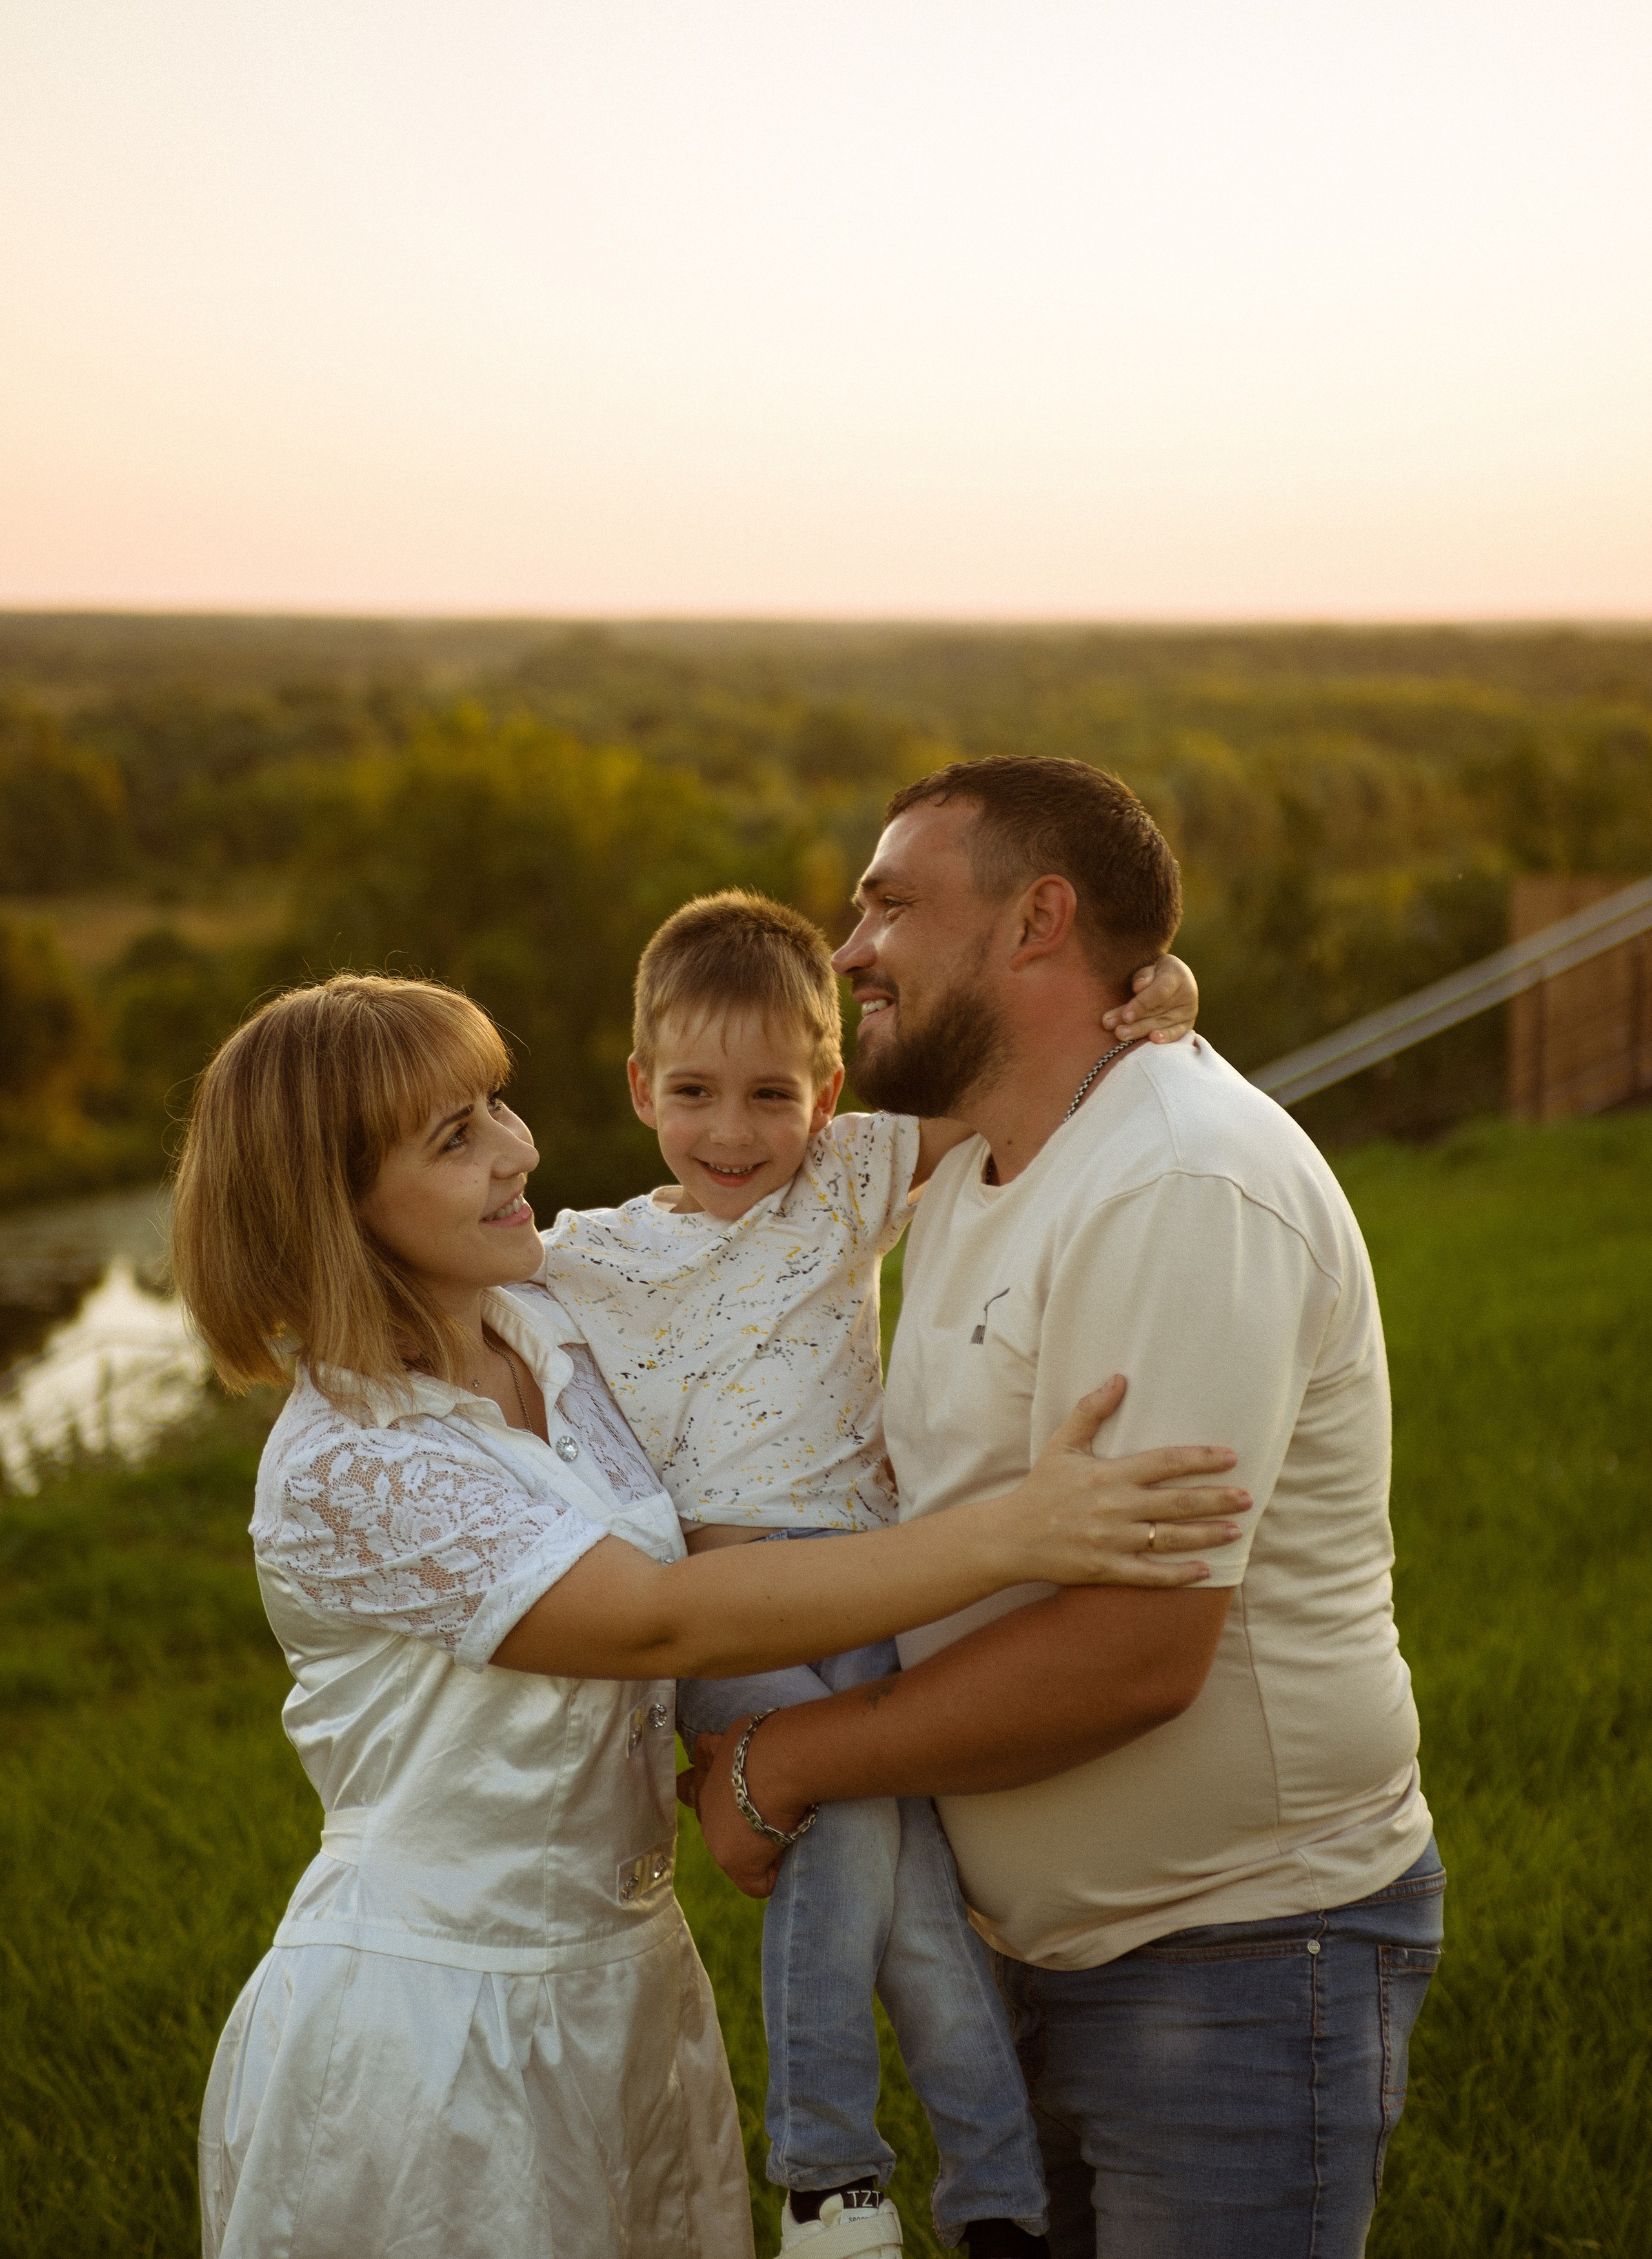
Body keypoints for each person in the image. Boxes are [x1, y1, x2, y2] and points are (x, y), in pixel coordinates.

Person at [171, 969, 1248, 2259]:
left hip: (626, 1978)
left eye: (496, 1104)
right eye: (452, 1138)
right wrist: (1008, 1535)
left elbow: (755, 1301)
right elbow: (657, 1623)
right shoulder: (351, 1461)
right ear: (328, 1204)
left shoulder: (547, 1324)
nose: (517, 1146)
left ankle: (963, 2186)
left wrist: (1104, 1007)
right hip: (437, 2023)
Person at [687, 756, 1444, 2259]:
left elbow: (1131, 1652)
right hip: (1036, 1954)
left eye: (889, 904)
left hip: (1231, 1954)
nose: (845, 952)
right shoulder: (968, 1154)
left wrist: (784, 1759)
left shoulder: (1175, 1181)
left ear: (1037, 920)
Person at [541, 892, 1217, 2256]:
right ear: (637, 1087)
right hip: (733, 1616)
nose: (732, 1133)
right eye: (692, 1093)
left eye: (769, 1094)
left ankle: (994, 2198)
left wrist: (1157, 1003)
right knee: (845, 1829)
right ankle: (829, 2174)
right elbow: (430, 1270)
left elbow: (1046, 1072)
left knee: (920, 1903)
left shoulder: (849, 1173)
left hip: (879, 1591)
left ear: (827, 1089)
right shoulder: (590, 1255)